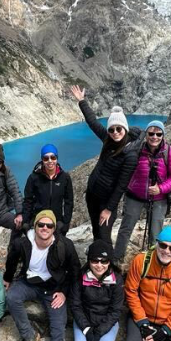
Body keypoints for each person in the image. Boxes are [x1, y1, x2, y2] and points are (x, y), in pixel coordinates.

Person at [4, 209, 80, 341]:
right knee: (11, 297)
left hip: (53, 290)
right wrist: (8, 278)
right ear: (35, 226)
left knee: (58, 334)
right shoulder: (23, 243)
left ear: (55, 229)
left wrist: (63, 293)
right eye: (41, 225)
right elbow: (12, 259)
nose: (45, 229)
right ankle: (29, 335)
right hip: (30, 284)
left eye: (49, 226)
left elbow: (75, 272)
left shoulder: (64, 246)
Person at [69, 85, 139, 246]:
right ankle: (96, 259)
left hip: (106, 201)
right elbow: (93, 122)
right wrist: (82, 101)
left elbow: (121, 185)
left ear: (125, 128)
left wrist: (108, 209)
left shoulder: (130, 154)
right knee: (95, 229)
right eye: (112, 129)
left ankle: (108, 265)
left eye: (119, 128)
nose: (115, 132)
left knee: (104, 234)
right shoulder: (108, 140)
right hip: (92, 194)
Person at [114, 120, 171, 261]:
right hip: (134, 196)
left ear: (163, 135)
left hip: (159, 199)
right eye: (151, 133)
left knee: (155, 233)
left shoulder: (168, 152)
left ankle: (154, 262)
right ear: (146, 134)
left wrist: (161, 188)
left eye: (158, 134)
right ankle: (116, 258)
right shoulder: (136, 149)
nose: (154, 137)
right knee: (126, 228)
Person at [22, 144, 74, 235]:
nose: (50, 161)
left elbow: (69, 202)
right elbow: (28, 200)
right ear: (42, 160)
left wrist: (66, 223)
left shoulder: (65, 178)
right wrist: (26, 221)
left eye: (53, 157)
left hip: (57, 221)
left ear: (57, 158)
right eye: (46, 158)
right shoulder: (34, 178)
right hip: (38, 220)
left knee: (59, 247)